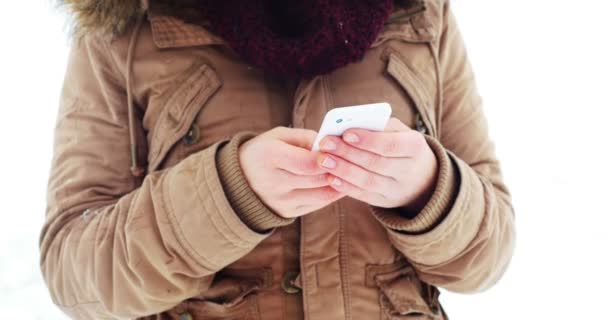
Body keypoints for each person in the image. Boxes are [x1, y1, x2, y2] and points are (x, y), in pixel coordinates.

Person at [40, 0, 515, 319]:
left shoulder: (422, 15)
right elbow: (74, 267)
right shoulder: (125, 26)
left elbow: (488, 257)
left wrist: (430, 190)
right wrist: (226, 197)